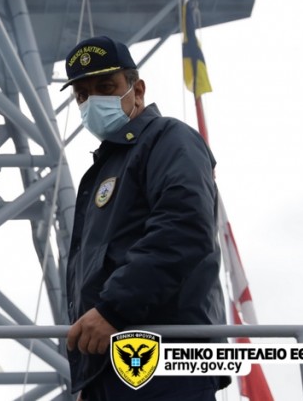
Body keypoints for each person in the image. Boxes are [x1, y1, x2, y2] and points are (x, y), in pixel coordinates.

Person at [61, 36, 228, 400]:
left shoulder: (170, 139)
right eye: (82, 95)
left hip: (165, 359)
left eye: (106, 87)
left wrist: (112, 310)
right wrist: (91, 375)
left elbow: (184, 229)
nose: (92, 102)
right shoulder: (108, 166)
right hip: (113, 363)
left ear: (137, 90)